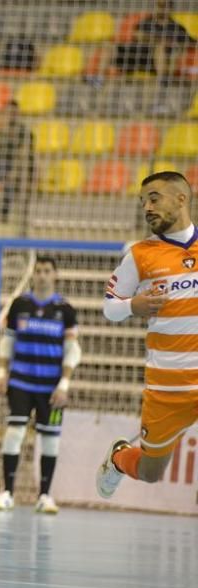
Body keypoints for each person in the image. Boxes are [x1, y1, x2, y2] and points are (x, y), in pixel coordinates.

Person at [97, 171, 198, 498]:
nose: (147, 207)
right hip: (166, 386)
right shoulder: (140, 255)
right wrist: (132, 305)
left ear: (181, 199)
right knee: (151, 472)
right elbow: (109, 307)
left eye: (154, 198)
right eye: (143, 202)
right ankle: (119, 457)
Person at [0, 257, 80, 514]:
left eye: (47, 271)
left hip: (50, 387)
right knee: (14, 432)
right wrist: (1, 372)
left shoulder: (65, 310)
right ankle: (7, 492)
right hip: (20, 382)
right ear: (34, 275)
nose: (42, 275)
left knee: (50, 439)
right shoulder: (20, 306)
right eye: (38, 271)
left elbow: (72, 350)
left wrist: (64, 384)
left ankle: (45, 496)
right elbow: (7, 342)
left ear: (55, 275)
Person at [0, 101, 33, 220]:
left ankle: (3, 215)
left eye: (13, 112)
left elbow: (24, 155)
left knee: (13, 178)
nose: (10, 115)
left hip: (15, 169)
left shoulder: (25, 133)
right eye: (8, 112)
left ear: (18, 114)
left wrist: (11, 175)